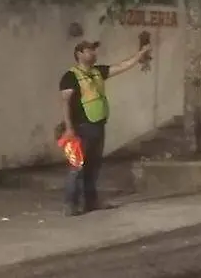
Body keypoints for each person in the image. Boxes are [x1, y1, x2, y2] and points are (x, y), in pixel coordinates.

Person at [59, 32, 153, 216]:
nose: (94, 53)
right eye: (89, 50)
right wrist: (69, 128)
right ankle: (70, 204)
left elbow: (122, 66)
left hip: (97, 126)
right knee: (76, 167)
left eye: (94, 50)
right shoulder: (70, 76)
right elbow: (65, 103)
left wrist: (140, 55)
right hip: (80, 127)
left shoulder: (97, 72)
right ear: (79, 54)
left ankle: (90, 202)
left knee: (93, 167)